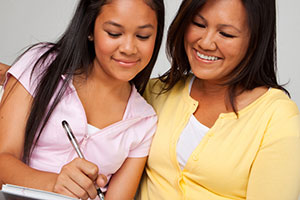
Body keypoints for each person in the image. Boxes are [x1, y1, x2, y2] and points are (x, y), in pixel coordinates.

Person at [0, 0, 164, 199]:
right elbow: (3, 160)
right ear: (90, 29)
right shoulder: (40, 65)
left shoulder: (144, 121)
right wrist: (53, 184)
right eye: (113, 33)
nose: (129, 48)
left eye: (143, 36)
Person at [137, 0, 300, 199]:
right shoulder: (154, 92)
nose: (205, 43)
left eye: (226, 34)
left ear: (255, 40)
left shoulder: (277, 117)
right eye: (198, 24)